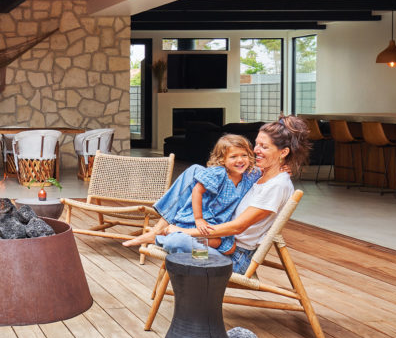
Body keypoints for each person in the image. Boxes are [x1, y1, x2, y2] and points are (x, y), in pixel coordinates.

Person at [125, 116, 310, 273]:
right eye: (256, 144)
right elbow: (226, 171)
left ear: (283, 152)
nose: (255, 150)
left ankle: (160, 236)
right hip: (217, 241)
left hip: (230, 259)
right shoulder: (258, 174)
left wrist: (184, 231)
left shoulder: (277, 185)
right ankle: (161, 230)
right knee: (195, 172)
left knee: (177, 242)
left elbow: (237, 227)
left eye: (264, 147)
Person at [131, 134, 258, 254]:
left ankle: (188, 252)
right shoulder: (218, 174)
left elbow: (267, 170)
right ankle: (164, 241)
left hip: (217, 225)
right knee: (200, 242)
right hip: (201, 219)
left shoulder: (249, 176)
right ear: (222, 160)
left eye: (244, 155)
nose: (240, 160)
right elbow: (197, 190)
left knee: (225, 246)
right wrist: (199, 219)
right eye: (233, 157)